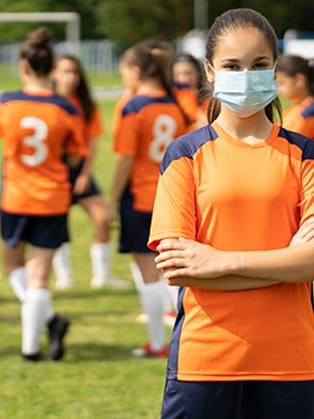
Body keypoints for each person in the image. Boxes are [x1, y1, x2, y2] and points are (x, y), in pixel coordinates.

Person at [149, 8, 314, 418]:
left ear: (274, 69)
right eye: (232, 65)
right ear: (210, 70)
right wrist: (290, 261)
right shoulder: (185, 155)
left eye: (258, 65)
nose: (246, 75)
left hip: (290, 363)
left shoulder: (304, 154)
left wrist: (220, 261)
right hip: (203, 363)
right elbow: (180, 269)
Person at [0, 27, 88, 361]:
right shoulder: (67, 109)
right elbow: (77, 154)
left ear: (23, 67)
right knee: (39, 274)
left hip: (15, 196)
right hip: (52, 197)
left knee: (14, 265)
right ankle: (41, 333)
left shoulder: (5, 103)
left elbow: (6, 139)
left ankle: (35, 344)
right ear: (51, 69)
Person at [109, 40, 188, 358]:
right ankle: (183, 337)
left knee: (149, 275)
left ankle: (158, 343)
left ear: (136, 70)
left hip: (141, 198)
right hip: (172, 196)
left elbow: (126, 159)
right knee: (172, 273)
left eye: (124, 72)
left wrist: (111, 199)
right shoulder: (174, 105)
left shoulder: (134, 105)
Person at [50, 54, 129, 290]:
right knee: (55, 226)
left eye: (74, 72)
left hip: (80, 171)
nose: (71, 77)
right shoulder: (49, 102)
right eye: (65, 72)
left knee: (103, 218)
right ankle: (64, 276)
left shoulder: (85, 104)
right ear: (53, 73)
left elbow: (92, 144)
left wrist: (84, 174)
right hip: (54, 173)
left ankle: (102, 275)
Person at [277, 54, 314, 153]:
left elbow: (289, 143)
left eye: (282, 83)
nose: (280, 90)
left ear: (299, 80)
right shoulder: (298, 108)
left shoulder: (310, 111)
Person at [172, 52, 209, 130]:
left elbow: (208, 123)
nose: (184, 79)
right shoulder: (170, 99)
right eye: (178, 74)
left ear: (198, 73)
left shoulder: (209, 98)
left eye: (188, 73)